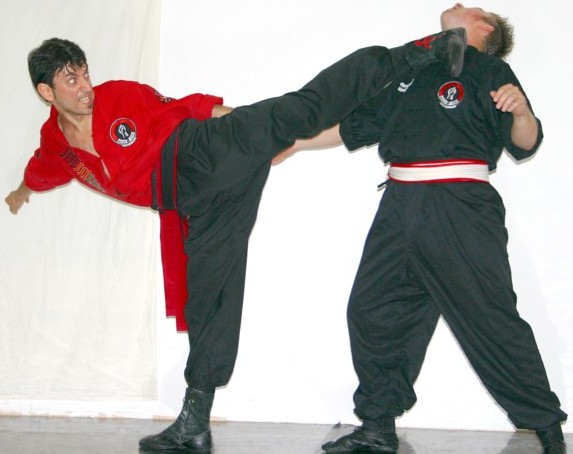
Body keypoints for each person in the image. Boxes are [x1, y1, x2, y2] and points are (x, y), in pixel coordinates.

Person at [5, 32, 466, 453]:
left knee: (300, 111)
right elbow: (39, 171)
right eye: (71, 79)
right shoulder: (56, 145)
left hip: (205, 151)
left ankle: (416, 53)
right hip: (199, 204)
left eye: (85, 72)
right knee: (209, 301)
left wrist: (253, 126)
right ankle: (193, 424)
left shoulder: (120, 95)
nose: (86, 86)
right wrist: (21, 193)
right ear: (47, 91)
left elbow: (191, 108)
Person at [278, 4, 567, 454]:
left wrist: (522, 111)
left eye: (470, 7)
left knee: (489, 316)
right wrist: (293, 144)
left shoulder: (489, 70)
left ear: (484, 28)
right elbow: (354, 127)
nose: (457, 5)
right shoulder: (412, 69)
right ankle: (377, 427)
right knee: (373, 310)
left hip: (460, 206)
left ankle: (546, 425)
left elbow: (525, 142)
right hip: (398, 205)